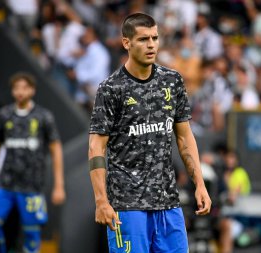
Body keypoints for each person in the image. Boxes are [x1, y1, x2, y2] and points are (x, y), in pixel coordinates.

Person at [88, 12, 212, 253]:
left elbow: (185, 137)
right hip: (127, 206)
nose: (152, 45)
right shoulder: (111, 89)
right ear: (127, 43)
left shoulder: (172, 81)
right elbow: (96, 147)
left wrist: (200, 184)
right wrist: (101, 200)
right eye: (144, 39)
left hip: (168, 204)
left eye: (155, 38)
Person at [0, 72, 66, 253]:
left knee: (32, 234)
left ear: (32, 90)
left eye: (24, 88)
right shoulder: (4, 115)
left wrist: (59, 184)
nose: (20, 92)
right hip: (5, 183)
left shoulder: (43, 116)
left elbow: (56, 149)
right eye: (16, 88)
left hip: (32, 186)